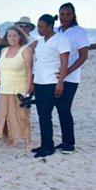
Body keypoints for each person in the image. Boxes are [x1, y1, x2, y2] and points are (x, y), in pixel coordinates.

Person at [31, 14, 70, 158]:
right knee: (42, 115)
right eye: (38, 26)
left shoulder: (61, 39)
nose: (39, 29)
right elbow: (38, 61)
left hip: (51, 81)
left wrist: (60, 83)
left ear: (50, 26)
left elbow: (64, 62)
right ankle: (45, 143)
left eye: (41, 27)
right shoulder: (41, 42)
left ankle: (49, 147)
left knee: (46, 115)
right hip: (39, 81)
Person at [53, 2, 89, 154]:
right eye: (62, 14)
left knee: (64, 107)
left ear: (73, 15)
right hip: (53, 76)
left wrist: (67, 71)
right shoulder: (55, 30)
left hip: (71, 77)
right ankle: (64, 141)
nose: (64, 17)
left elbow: (83, 56)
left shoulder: (79, 32)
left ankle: (69, 143)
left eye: (68, 14)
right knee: (58, 108)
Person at [0, 26, 33, 148]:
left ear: (20, 36)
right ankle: (12, 138)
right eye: (9, 35)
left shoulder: (26, 50)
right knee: (8, 116)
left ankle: (28, 139)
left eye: (15, 35)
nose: (12, 38)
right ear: (6, 37)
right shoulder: (3, 50)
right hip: (5, 88)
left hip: (19, 88)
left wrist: (27, 90)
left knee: (22, 115)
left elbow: (29, 71)